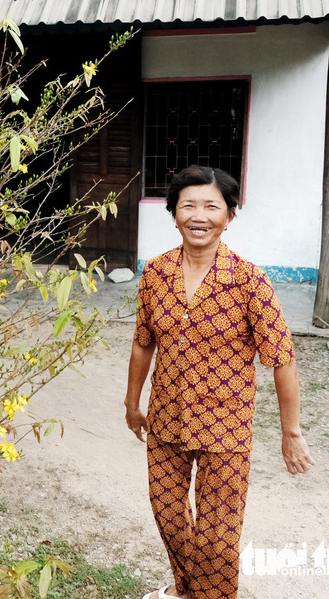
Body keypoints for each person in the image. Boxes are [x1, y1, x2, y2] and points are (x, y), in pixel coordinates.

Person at [124, 166, 315, 599]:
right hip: (167, 422)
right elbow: (142, 343)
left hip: (224, 431)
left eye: (212, 206)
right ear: (173, 213)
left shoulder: (251, 283)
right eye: (188, 205)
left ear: (229, 216)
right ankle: (186, 589)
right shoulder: (155, 274)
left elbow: (282, 359)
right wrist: (132, 404)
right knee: (170, 519)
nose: (199, 215)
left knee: (216, 539)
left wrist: (292, 433)